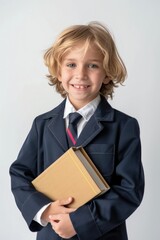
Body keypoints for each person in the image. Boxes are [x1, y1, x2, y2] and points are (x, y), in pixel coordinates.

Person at [9, 21, 144, 240]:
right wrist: (45, 210)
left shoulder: (125, 126)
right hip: (50, 234)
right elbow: (19, 174)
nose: (80, 74)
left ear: (107, 73)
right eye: (71, 64)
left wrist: (80, 222)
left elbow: (130, 190)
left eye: (93, 65)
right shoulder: (41, 124)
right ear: (58, 71)